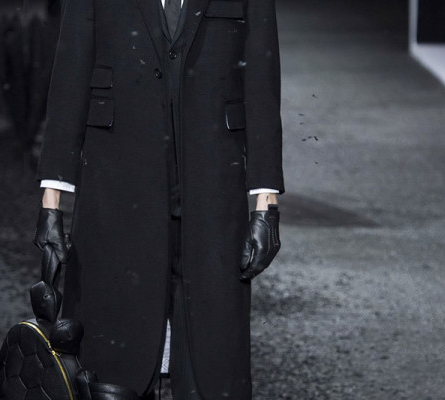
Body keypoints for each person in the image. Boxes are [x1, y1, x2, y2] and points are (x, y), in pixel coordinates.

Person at [33, 0, 284, 398]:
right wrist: (52, 202)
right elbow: (71, 72)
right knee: (113, 370)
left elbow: (261, 78)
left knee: (212, 367)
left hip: (213, 197)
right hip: (116, 194)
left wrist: (265, 204)